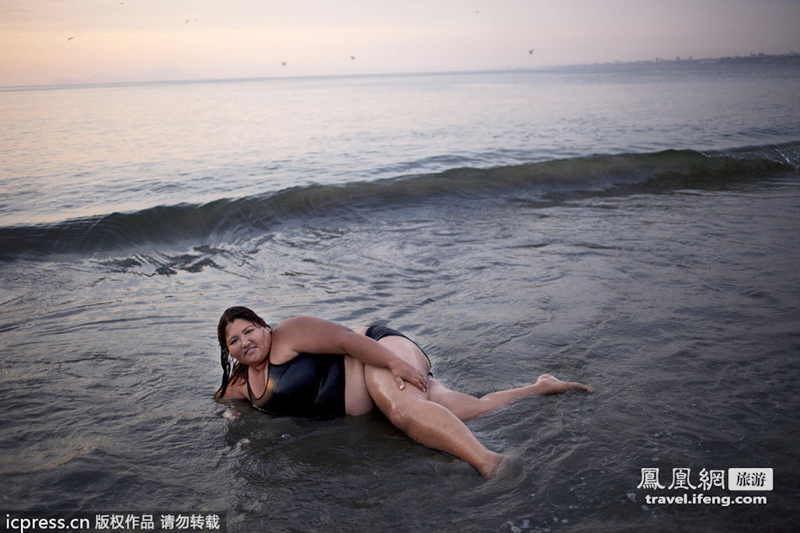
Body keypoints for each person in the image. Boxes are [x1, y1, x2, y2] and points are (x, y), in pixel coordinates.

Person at [215, 306, 591, 477]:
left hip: (377, 352)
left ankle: (489, 462)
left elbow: (347, 339)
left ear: (264, 326)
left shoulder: (292, 331)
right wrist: (233, 417)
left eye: (249, 330)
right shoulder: (241, 384)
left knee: (402, 410)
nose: (245, 341)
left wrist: (396, 363)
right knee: (469, 409)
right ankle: (542, 387)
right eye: (234, 340)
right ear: (228, 351)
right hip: (371, 382)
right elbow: (223, 409)